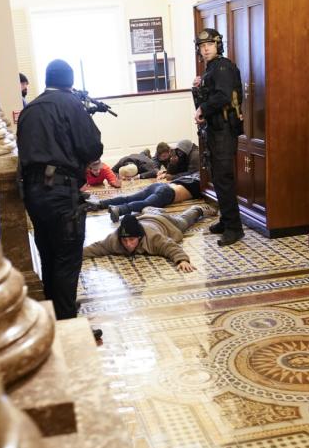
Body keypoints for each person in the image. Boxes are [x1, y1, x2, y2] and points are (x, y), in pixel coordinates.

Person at [17, 59, 104, 340]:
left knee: (49, 256)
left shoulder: (30, 110)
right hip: (61, 193)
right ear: (69, 82)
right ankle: (69, 332)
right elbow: (91, 145)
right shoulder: (70, 105)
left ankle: (56, 321)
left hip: (33, 195)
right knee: (67, 260)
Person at [193, 28, 245, 246]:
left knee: (224, 179)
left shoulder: (222, 66)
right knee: (218, 177)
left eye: (210, 45)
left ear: (218, 45)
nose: (206, 49)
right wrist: (199, 86)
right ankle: (226, 220)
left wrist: (202, 108)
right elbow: (212, 92)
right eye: (202, 46)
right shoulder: (211, 69)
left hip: (223, 130)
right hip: (215, 130)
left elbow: (222, 96)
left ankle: (234, 228)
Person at [83, 205, 217, 273]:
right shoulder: (114, 239)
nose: (128, 244)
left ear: (140, 237)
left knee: (184, 221)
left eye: (132, 240)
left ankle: (198, 209)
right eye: (125, 240)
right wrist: (76, 255)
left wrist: (182, 260)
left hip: (164, 223)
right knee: (149, 212)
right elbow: (97, 247)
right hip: (145, 219)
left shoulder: (153, 238)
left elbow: (169, 246)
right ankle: (149, 210)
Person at [90, 173, 203, 222]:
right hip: (168, 193)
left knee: (129, 197)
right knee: (145, 203)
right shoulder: (203, 184)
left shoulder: (191, 177)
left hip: (160, 185)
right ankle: (120, 209)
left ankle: (101, 203)